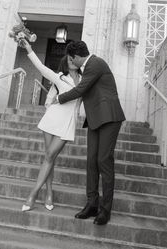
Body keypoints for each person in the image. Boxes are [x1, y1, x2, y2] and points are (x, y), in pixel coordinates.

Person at [56, 41, 125, 225]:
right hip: (95, 119)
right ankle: (92, 204)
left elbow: (80, 89)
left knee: (104, 160)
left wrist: (58, 98)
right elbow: (81, 85)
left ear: (75, 57)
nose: (70, 62)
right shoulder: (86, 67)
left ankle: (105, 210)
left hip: (109, 117)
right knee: (91, 161)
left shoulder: (95, 63)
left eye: (71, 59)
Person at [20, 39, 82, 212]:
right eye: (69, 59)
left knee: (50, 156)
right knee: (49, 157)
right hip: (52, 119)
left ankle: (37, 193)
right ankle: (43, 194)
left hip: (67, 123)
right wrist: (30, 49)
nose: (71, 61)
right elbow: (41, 67)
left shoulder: (85, 79)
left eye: (74, 58)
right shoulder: (60, 78)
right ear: (66, 62)